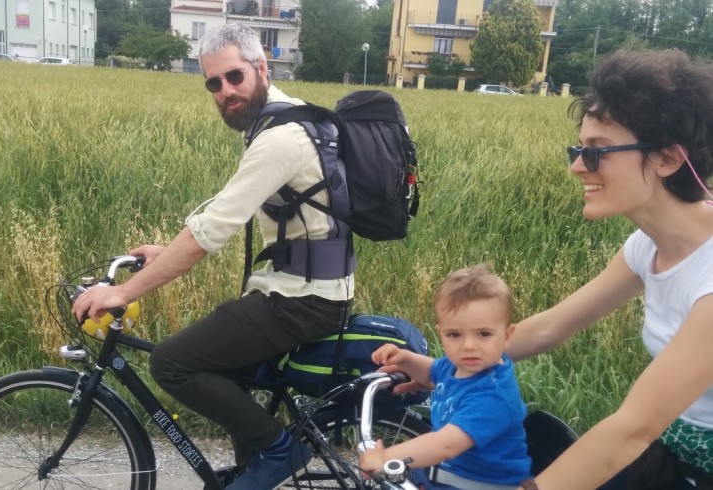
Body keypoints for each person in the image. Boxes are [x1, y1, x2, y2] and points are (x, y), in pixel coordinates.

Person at [72, 23, 353, 489]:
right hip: (306, 291)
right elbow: (234, 216)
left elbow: (213, 228)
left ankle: (280, 452)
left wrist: (122, 291)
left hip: (301, 302)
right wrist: (168, 253)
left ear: (262, 68)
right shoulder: (284, 120)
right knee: (225, 369)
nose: (225, 91)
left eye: (235, 77)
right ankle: (258, 469)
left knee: (171, 363)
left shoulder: (280, 139)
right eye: (213, 83)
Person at [505, 49, 713, 490]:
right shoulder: (648, 246)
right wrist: (439, 367)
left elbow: (631, 429)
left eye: (597, 152)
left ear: (667, 159)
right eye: (578, 149)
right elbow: (550, 328)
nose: (578, 167)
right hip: (672, 452)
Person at [360, 264, 532, 489]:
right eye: (455, 335)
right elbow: (432, 373)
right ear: (441, 333)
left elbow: (445, 446)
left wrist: (386, 457)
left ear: (507, 335)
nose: (468, 346)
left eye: (484, 334)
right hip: (448, 475)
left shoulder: (493, 396)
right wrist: (404, 359)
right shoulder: (457, 366)